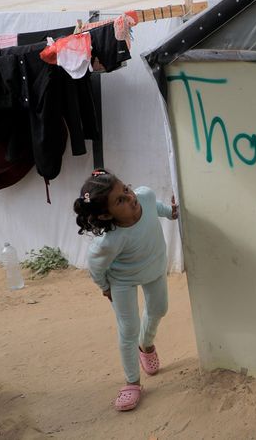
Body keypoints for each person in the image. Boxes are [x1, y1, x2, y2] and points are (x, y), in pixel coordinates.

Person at [72, 168, 179, 411]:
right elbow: (96, 267)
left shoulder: (146, 196)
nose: (131, 197)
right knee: (128, 329)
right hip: (122, 281)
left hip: (154, 269)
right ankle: (132, 383)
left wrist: (171, 213)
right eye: (120, 200)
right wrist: (104, 288)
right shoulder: (109, 241)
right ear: (107, 216)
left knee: (159, 309)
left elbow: (156, 208)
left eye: (126, 189)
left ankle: (146, 345)